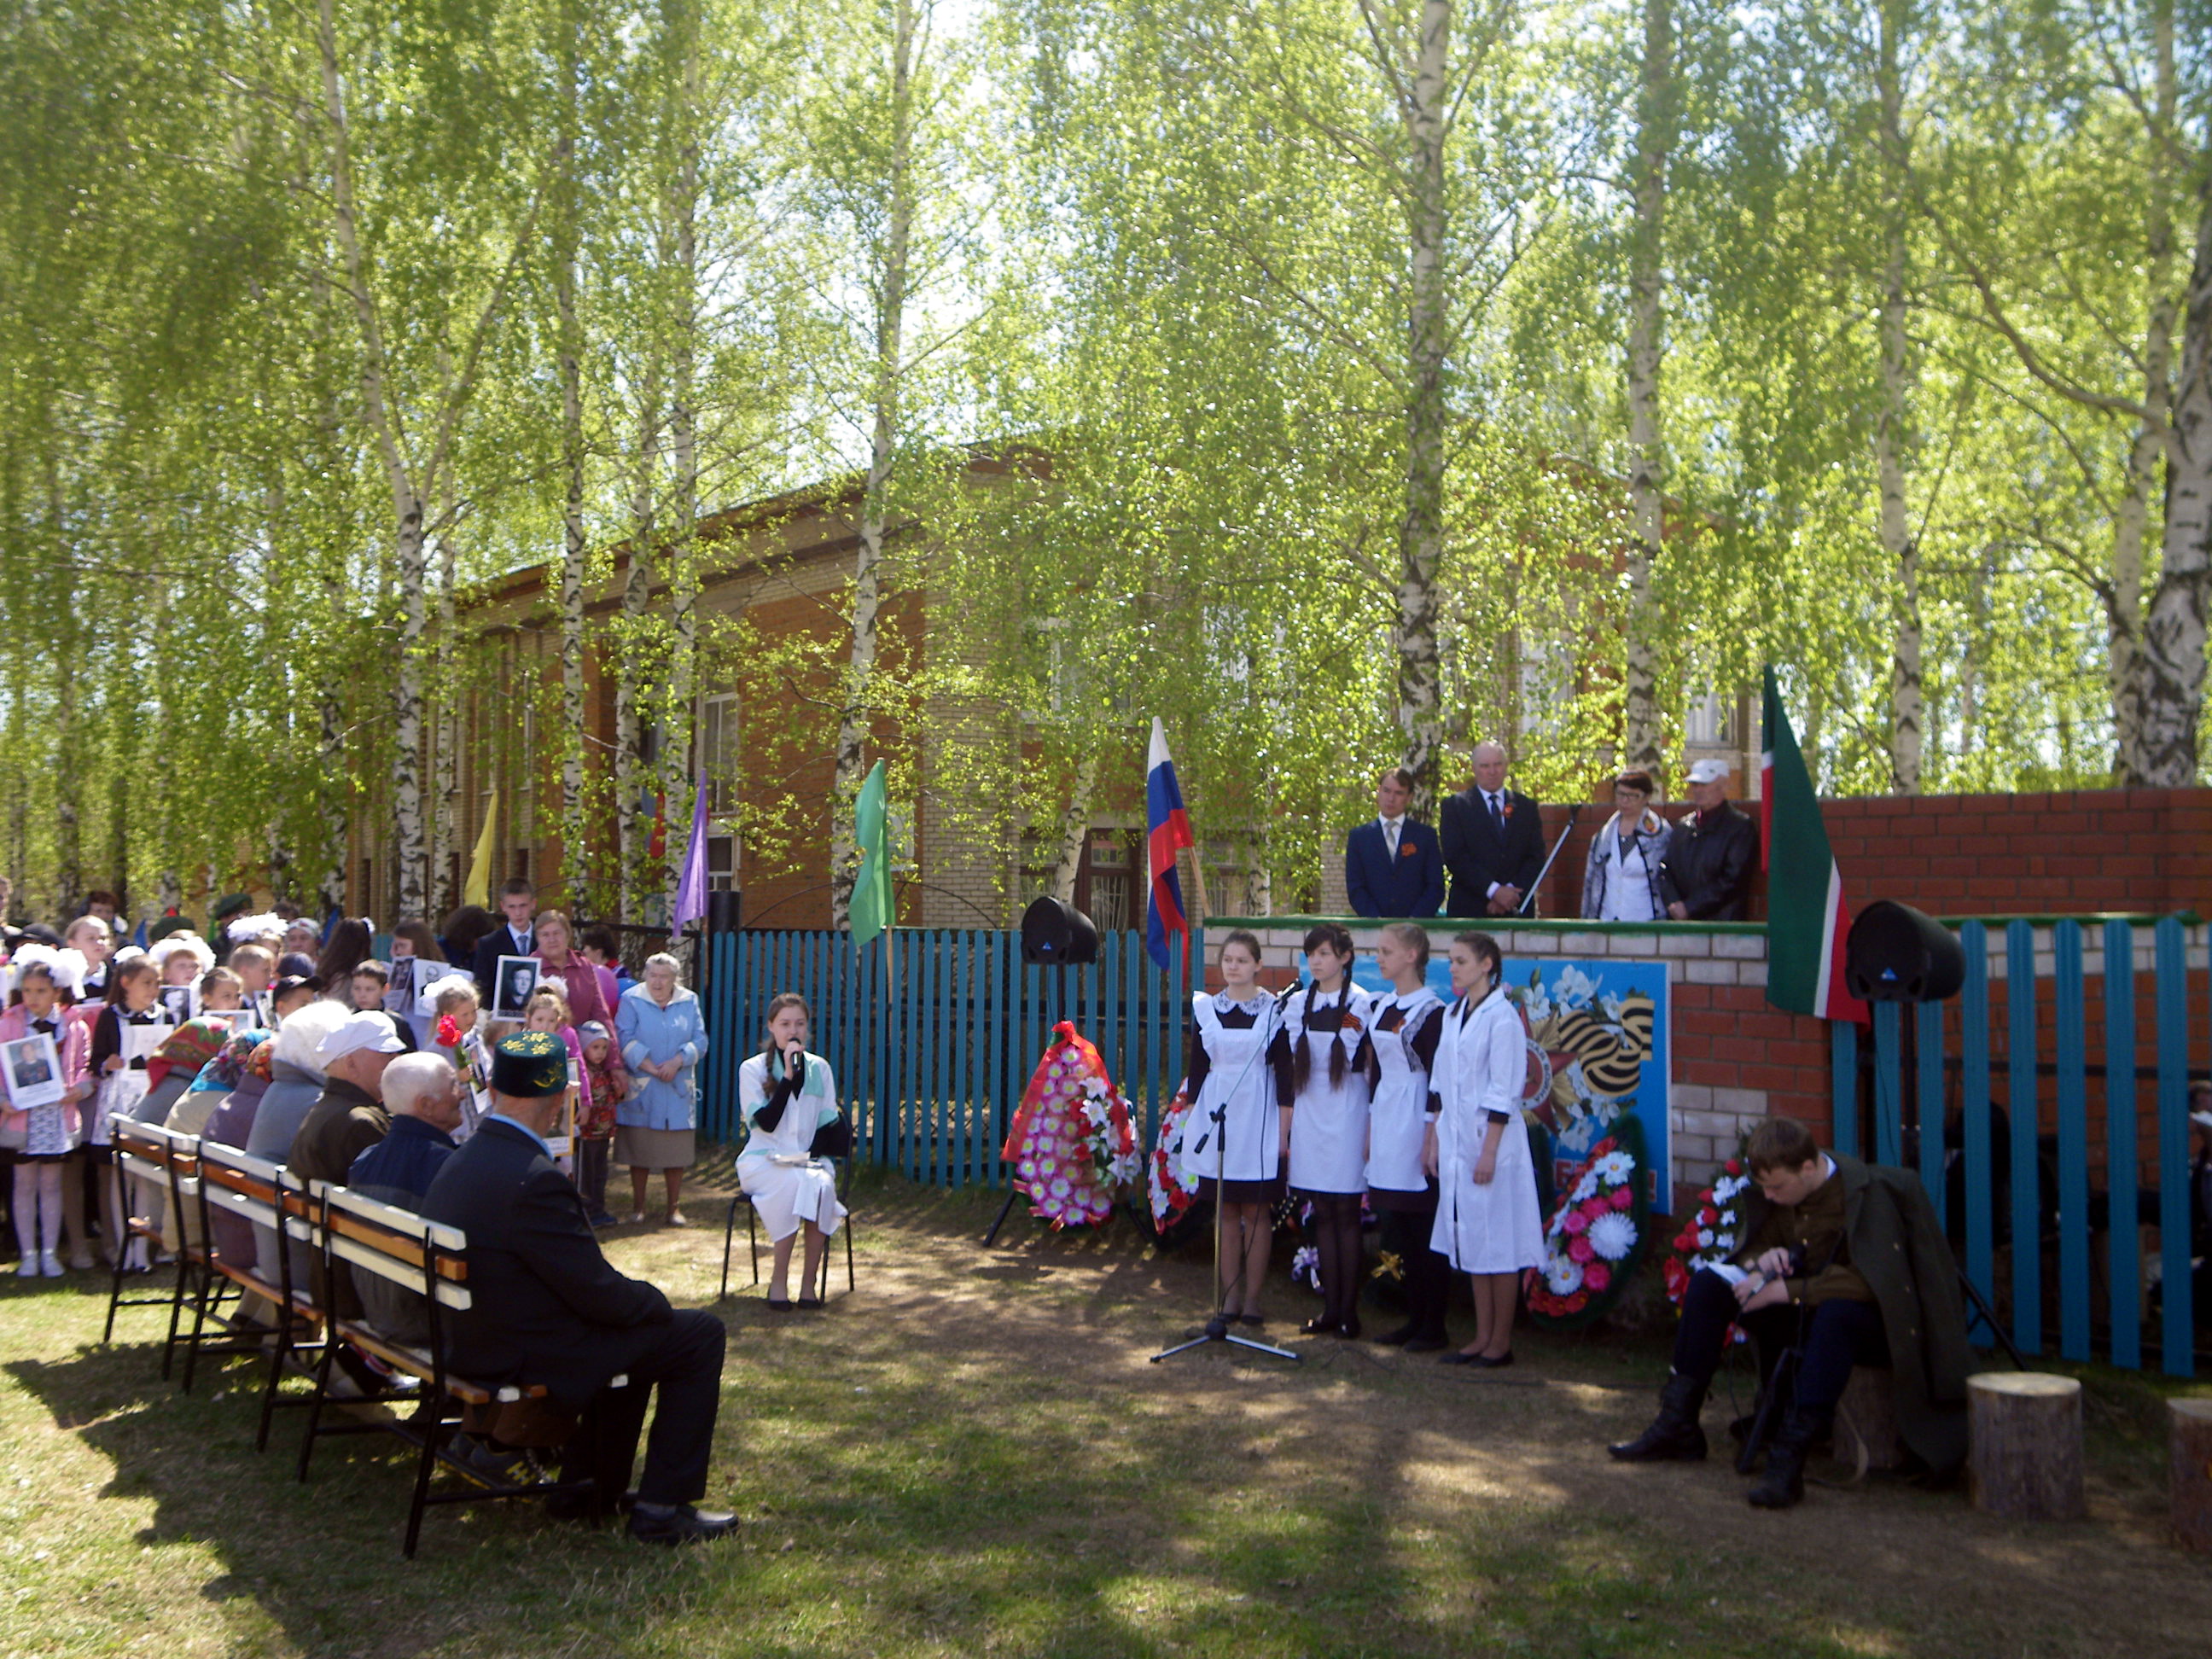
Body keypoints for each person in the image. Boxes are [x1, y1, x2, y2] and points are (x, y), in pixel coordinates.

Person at [419, 1031, 736, 1545]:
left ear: (493, 1092)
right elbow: (598, 1292)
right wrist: (654, 1302)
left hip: (470, 1333)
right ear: (559, 1100)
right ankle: (660, 1509)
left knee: (638, 1336)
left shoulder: (464, 1157)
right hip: (517, 1350)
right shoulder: (533, 1178)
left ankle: (586, 1490)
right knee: (696, 1334)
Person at [1609, 1116, 1973, 1507]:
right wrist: (1762, 1260)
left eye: (1777, 1187)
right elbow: (1752, 1247)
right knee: (1708, 1286)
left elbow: (1874, 1282)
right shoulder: (1781, 1193)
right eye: (1764, 1187)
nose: (1769, 1196)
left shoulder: (1869, 1193)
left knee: (1837, 1315)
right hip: (1801, 1311)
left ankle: (1789, 1456)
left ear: (1809, 1168)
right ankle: (1678, 1424)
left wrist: (1786, 1291)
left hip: (1870, 1324)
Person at [1430, 931, 1543, 1367]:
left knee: (1500, 1243)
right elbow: (1441, 1082)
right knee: (1473, 1239)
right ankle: (1480, 1336)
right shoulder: (1453, 1013)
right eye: (1451, 960)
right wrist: (1434, 1140)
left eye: (1461, 961)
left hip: (1491, 1143)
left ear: (1486, 966)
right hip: (1457, 1141)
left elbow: (1504, 1089)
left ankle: (1501, 1342)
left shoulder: (1503, 1018)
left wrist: (1490, 1151)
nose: (1453, 968)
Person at [1173, 929, 1289, 1325]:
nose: (1233, 967)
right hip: (1217, 1113)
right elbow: (1198, 1069)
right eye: (1228, 960)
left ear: (1258, 965)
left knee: (1256, 1211)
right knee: (1225, 1210)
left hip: (1258, 1115)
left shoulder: (1274, 1011)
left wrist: (1284, 1131)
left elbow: (1286, 1074)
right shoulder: (1207, 1009)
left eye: (1242, 960)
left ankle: (1253, 1299)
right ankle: (1228, 1297)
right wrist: (1190, 1120)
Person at [1283, 922, 1372, 1338]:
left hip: (1348, 1112)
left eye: (1324, 953)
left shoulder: (1360, 1003)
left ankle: (1349, 1312)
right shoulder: (1296, 1004)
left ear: (1345, 957)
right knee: (1321, 1210)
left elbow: (1365, 1062)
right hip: (1311, 1113)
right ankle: (1329, 1309)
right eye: (1311, 954)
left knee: (1346, 1211)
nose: (1315, 962)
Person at [1364, 923, 1449, 1351]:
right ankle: (1411, 1317)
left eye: (1386, 951)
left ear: (1412, 956)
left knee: (1423, 1225)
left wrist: (1431, 1133)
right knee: (1397, 1222)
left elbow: (1438, 1077)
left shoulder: (1433, 1012)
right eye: (1378, 951)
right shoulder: (1382, 1005)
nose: (1379, 958)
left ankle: (1433, 1324)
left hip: (1417, 1116)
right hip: (1388, 1114)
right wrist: (1370, 1124)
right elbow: (1375, 1070)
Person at [287, 1009, 405, 1315]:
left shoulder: (330, 1110)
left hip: (336, 1274)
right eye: (385, 1055)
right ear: (351, 1063)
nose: (394, 1062)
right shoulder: (358, 1122)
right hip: (361, 1285)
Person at [737, 993, 849, 1309]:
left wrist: (811, 1158)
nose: (793, 1030)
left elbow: (828, 1126)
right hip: (762, 1161)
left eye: (799, 1024)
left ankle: (808, 1284)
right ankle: (779, 1280)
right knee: (792, 1185)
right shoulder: (752, 1069)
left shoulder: (820, 1069)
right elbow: (765, 1124)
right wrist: (787, 1077)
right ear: (771, 1027)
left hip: (806, 1161)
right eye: (785, 1024)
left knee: (820, 1187)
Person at [345, 1051, 465, 1344]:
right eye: (453, 1085)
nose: (461, 1094)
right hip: (429, 1320)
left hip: (381, 1312)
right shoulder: (446, 1167)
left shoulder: (365, 1160)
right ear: (426, 1105)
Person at [1, 958, 93, 1278]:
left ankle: (50, 1253)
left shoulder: (74, 1025)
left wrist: (79, 1089)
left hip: (56, 1115)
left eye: (41, 991)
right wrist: (3, 1100)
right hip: (21, 1116)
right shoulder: (9, 1024)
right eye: (27, 990)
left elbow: (83, 1067)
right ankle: (28, 1254)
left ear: (57, 991)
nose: (33, 997)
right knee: (24, 1184)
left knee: (52, 1184)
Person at [615, 952, 708, 1227]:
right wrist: (651, 1067)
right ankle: (638, 1207)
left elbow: (700, 1040)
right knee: (639, 1148)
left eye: (664, 977)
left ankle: (673, 1209)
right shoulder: (631, 999)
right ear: (645, 975)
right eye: (653, 975)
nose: (657, 982)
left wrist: (678, 1061)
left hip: (677, 1085)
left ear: (674, 979)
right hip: (643, 1083)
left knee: (675, 1152)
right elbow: (623, 1036)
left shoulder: (689, 1000)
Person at [88, 956, 166, 1266]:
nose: (152, 990)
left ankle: (141, 1251)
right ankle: (123, 1248)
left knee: (144, 1174)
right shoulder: (111, 1016)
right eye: (146, 983)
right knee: (121, 1176)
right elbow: (96, 1059)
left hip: (150, 1097)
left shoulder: (163, 1015)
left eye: (157, 983)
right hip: (119, 1099)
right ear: (126, 983)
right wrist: (107, 1063)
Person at [1439, 741, 1545, 918]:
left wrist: (1509, 894)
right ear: (1474, 769)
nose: (1492, 771)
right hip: (1470, 910)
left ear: (1506, 767)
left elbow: (1536, 857)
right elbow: (1455, 857)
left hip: (1516, 908)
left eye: (1498, 764)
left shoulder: (1526, 807)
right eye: (1485, 766)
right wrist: (1494, 891)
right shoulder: (1456, 806)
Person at [1662, 758, 1759, 921]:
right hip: (1682, 924)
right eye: (1695, 785)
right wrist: (1673, 903)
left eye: (1704, 784)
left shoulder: (1740, 827)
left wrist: (1690, 907)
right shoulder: (1683, 826)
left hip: (1722, 924)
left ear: (1724, 786)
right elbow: (1665, 868)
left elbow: (1733, 880)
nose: (1698, 790)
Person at [1344, 767, 1444, 919]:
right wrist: (1376, 920)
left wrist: (1414, 920)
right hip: (1374, 926)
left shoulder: (1425, 836)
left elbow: (1435, 886)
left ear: (1409, 797)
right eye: (1386, 791)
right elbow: (1356, 887)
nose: (1391, 798)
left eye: (1399, 793)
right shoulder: (1359, 837)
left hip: (1416, 926)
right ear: (1378, 792)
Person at [1580, 771, 1672, 923]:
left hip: (1647, 922)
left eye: (1633, 796)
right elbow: (1590, 882)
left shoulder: (1661, 834)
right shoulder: (1603, 836)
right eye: (1620, 794)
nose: (1624, 801)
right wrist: (1586, 921)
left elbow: (1671, 880)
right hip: (1607, 921)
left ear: (1647, 797)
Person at [574, 1021, 626, 1227]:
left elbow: (611, 1099)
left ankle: (598, 1209)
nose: (600, 1053)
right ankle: (587, 1212)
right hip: (587, 1135)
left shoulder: (604, 1072)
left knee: (600, 1174)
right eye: (595, 1047)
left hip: (604, 1133)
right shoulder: (583, 1074)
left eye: (604, 1048)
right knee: (586, 1176)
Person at [472, 880, 538, 999]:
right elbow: (482, 988)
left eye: (523, 905)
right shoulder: (488, 944)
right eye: (512, 907)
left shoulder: (544, 940)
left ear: (533, 904)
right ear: (503, 907)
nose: (518, 913)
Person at [581, 928, 637, 999]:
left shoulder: (620, 973)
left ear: (598, 951)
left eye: (586, 946)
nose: (584, 951)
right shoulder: (584, 972)